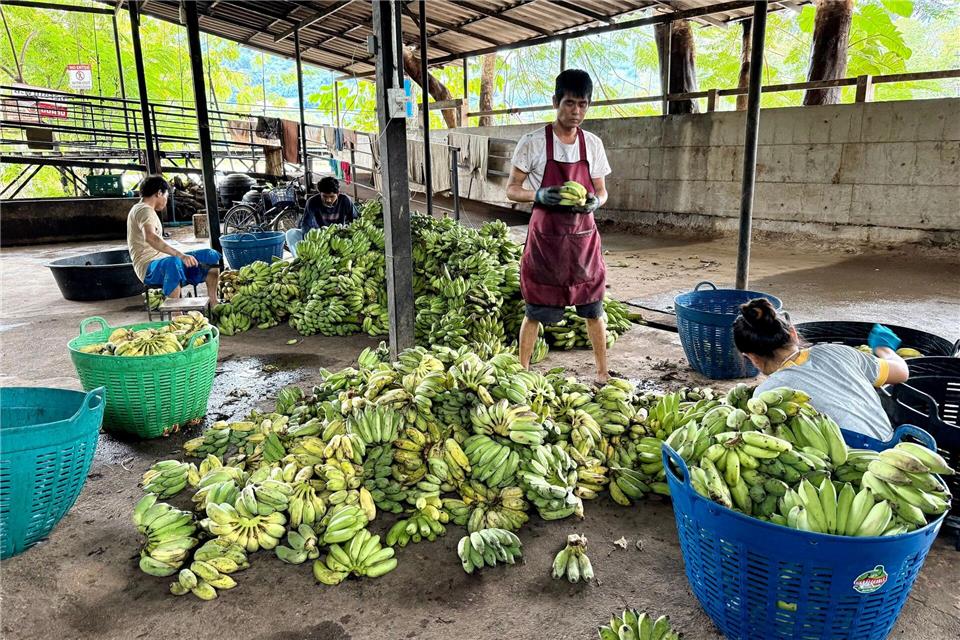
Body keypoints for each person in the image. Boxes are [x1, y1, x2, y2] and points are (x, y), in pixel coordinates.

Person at [505, 69, 612, 383]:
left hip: (583, 242)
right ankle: (522, 370)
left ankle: (603, 372)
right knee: (535, 311)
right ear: (555, 101)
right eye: (569, 103)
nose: (576, 111)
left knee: (593, 309)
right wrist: (538, 194)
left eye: (582, 104)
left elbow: (601, 190)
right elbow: (511, 189)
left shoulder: (592, 144)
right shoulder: (533, 142)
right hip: (547, 242)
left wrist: (596, 202)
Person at [733, 298, 909, 441]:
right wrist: (883, 348)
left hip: (850, 463)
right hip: (894, 445)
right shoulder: (837, 351)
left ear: (751, 358)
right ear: (793, 333)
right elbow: (902, 372)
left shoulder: (765, 396)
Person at [127, 175, 220, 306]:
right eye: (166, 195)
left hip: (161, 260)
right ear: (159, 193)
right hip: (148, 267)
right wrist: (180, 254)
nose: (166, 200)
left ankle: (213, 302)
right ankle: (176, 313)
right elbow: (150, 237)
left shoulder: (144, 210)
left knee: (209, 255)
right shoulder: (144, 210)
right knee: (173, 263)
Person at [285, 176, 358, 258]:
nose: (328, 200)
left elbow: (355, 220)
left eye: (332, 197)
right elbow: (306, 224)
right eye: (325, 196)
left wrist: (347, 231)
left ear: (338, 194)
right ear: (320, 193)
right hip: (319, 237)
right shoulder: (312, 202)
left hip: (338, 238)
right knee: (290, 234)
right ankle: (301, 258)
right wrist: (307, 244)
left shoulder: (345, 200)